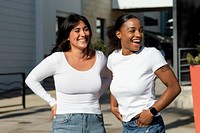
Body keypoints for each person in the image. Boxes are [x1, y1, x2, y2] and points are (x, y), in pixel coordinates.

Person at [25, 13, 111, 133]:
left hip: (94, 122)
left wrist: (97, 95)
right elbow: (31, 79)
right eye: (77, 30)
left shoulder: (100, 57)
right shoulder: (57, 59)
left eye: (86, 29)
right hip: (65, 123)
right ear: (67, 36)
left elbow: (108, 77)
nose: (83, 34)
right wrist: (52, 102)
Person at [106, 14, 181, 133]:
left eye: (141, 31)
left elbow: (174, 87)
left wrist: (152, 111)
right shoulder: (113, 58)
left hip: (148, 126)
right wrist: (113, 105)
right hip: (126, 126)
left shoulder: (151, 54)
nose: (138, 35)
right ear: (118, 34)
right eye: (132, 31)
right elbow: (116, 82)